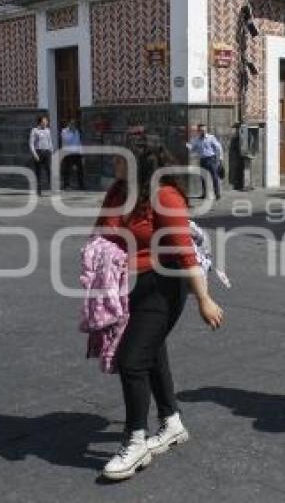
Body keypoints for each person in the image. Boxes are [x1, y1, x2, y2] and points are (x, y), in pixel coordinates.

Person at [95, 145, 224, 481]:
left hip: (164, 284)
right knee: (151, 351)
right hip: (127, 286)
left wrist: (204, 299)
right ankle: (172, 422)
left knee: (132, 359)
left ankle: (135, 441)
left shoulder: (164, 195)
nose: (113, 160)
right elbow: (103, 230)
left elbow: (184, 252)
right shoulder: (119, 191)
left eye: (121, 157)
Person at [187, 124, 223, 200]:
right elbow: (194, 149)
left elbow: (218, 147)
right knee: (203, 177)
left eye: (204, 130)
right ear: (198, 131)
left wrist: (220, 158)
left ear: (206, 130)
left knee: (214, 177)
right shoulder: (196, 139)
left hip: (211, 159)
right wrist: (188, 146)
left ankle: (217, 194)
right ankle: (204, 194)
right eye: (201, 130)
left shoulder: (211, 138)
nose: (203, 131)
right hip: (203, 159)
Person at [29, 115, 54, 196]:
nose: (46, 123)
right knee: (38, 172)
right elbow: (31, 143)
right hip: (38, 152)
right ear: (40, 122)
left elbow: (50, 142)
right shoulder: (35, 130)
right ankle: (38, 190)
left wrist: (51, 151)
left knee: (49, 171)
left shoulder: (48, 130)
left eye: (46, 121)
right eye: (44, 121)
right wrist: (34, 154)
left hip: (46, 152)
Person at [60, 120, 85, 190]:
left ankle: (81, 185)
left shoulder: (76, 131)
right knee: (67, 170)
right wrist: (72, 133)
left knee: (80, 169)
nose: (73, 126)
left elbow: (79, 142)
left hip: (77, 153)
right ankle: (66, 185)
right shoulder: (64, 131)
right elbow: (67, 141)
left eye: (74, 125)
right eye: (72, 125)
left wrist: (81, 153)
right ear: (69, 125)